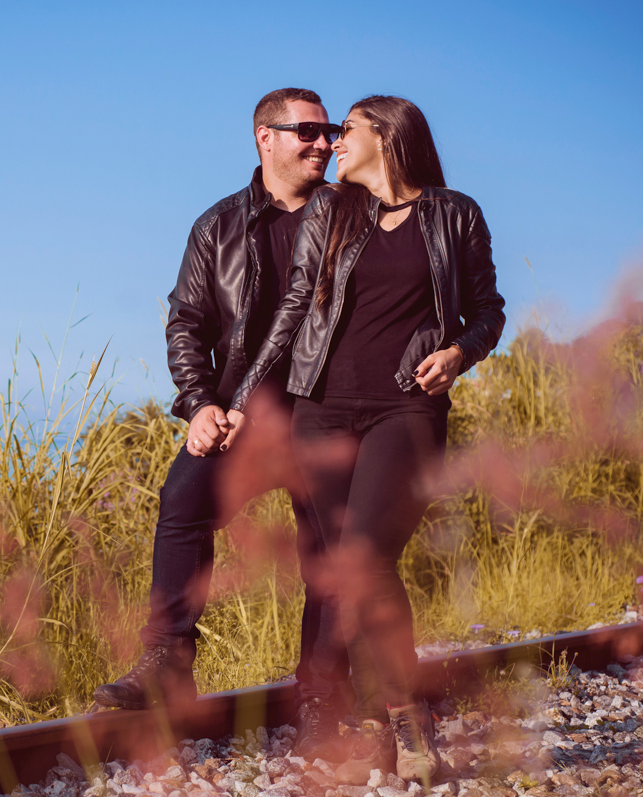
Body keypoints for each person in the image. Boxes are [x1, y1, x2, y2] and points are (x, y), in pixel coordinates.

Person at [225, 95, 505, 785]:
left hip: (404, 408)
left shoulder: (455, 214)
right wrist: (241, 398)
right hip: (320, 410)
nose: (331, 144)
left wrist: (460, 353)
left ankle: (407, 717)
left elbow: (488, 310)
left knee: (367, 555)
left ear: (387, 134)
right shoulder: (331, 211)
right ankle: (375, 726)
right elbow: (295, 307)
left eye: (344, 130)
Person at [93, 88, 352, 760]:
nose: (324, 143)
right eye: (308, 131)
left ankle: (323, 690)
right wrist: (200, 402)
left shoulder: (350, 215)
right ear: (266, 137)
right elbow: (186, 321)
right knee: (182, 499)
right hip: (240, 412)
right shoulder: (218, 226)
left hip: (327, 410)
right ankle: (167, 663)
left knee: (329, 549)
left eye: (330, 131)